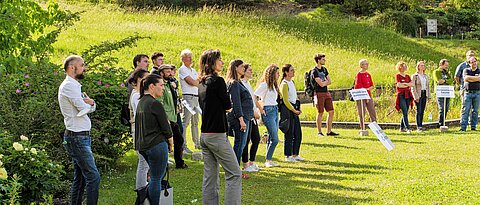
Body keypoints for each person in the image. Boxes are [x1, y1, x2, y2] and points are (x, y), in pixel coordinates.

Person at [197, 49, 241, 205]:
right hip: (217, 134)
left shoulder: (201, 82)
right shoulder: (218, 81)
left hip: (205, 135)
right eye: (219, 59)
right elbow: (228, 106)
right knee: (234, 174)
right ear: (211, 62)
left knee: (210, 176)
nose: (222, 62)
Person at [59, 55, 100, 205]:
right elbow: (83, 108)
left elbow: (89, 106)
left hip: (81, 136)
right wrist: (91, 105)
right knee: (93, 176)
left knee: (81, 177)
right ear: (72, 68)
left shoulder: (74, 85)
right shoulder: (69, 86)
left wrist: (91, 104)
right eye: (82, 65)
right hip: (77, 137)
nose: (84, 68)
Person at [135, 74, 174, 205]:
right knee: (156, 178)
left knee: (154, 177)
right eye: (161, 85)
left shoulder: (141, 102)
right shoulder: (154, 103)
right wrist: (171, 143)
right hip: (156, 145)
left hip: (143, 146)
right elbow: (166, 127)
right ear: (152, 86)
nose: (163, 88)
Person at [226, 59, 254, 179]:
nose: (244, 68)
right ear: (236, 68)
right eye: (242, 67)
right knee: (239, 144)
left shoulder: (239, 82)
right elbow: (236, 103)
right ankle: (234, 170)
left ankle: (235, 170)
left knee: (241, 144)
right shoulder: (235, 84)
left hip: (246, 116)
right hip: (240, 118)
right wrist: (241, 119)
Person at [157, 64, 188, 169]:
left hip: (174, 115)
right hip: (167, 118)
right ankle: (164, 164)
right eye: (167, 72)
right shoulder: (161, 86)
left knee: (179, 139)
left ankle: (179, 162)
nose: (170, 74)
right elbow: (160, 103)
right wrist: (165, 118)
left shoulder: (171, 84)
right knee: (166, 142)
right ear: (161, 73)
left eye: (171, 71)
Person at [127, 69, 150, 200]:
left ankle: (144, 186)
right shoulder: (136, 95)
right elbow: (141, 114)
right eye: (145, 79)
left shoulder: (139, 94)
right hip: (140, 131)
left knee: (145, 162)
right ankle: (141, 190)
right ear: (138, 80)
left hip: (142, 130)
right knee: (143, 161)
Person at [255, 64, 281, 168]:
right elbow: (254, 96)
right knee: (275, 138)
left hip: (274, 109)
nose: (279, 75)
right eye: (277, 73)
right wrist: (261, 109)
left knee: (271, 137)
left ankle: (269, 159)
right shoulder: (265, 85)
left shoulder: (274, 85)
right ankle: (268, 160)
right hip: (268, 110)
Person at [279, 64, 304, 162]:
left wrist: (298, 108)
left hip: (294, 108)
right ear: (286, 72)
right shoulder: (284, 84)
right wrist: (293, 110)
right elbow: (285, 100)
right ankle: (288, 155)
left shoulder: (292, 82)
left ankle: (295, 153)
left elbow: (295, 97)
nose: (293, 72)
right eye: (291, 70)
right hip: (288, 110)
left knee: (298, 133)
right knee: (289, 133)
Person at [178, 49, 201, 153]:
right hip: (188, 97)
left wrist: (197, 82)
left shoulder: (193, 70)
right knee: (185, 121)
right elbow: (192, 82)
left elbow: (199, 82)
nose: (191, 59)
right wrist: (197, 82)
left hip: (196, 97)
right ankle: (183, 145)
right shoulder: (182, 69)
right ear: (183, 59)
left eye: (191, 56)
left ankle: (197, 143)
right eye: (188, 57)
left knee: (195, 121)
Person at [311, 53, 339, 136]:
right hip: (319, 93)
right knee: (320, 112)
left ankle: (329, 131)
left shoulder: (324, 69)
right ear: (318, 60)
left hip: (326, 92)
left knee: (331, 111)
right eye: (323, 59)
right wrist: (325, 82)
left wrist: (324, 82)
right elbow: (321, 84)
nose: (324, 60)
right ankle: (319, 132)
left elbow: (329, 81)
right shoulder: (314, 71)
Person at [241, 64, 261, 172]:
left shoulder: (248, 83)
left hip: (253, 115)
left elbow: (252, 100)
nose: (251, 72)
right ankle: (245, 164)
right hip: (248, 115)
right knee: (246, 140)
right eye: (249, 70)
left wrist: (257, 110)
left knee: (256, 138)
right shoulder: (242, 84)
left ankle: (251, 162)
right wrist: (253, 113)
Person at [354, 59, 377, 133]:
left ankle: (375, 127)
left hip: (368, 95)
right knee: (362, 112)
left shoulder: (368, 74)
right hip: (361, 96)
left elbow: (371, 85)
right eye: (365, 64)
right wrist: (366, 90)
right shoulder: (359, 74)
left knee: (372, 111)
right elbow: (358, 86)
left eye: (367, 64)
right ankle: (362, 127)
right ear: (361, 65)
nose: (367, 65)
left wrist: (368, 89)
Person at [460, 57, 480, 131]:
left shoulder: (479, 70)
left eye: (475, 61)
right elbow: (466, 78)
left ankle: (473, 127)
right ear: (469, 63)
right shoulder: (466, 70)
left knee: (475, 111)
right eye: (472, 62)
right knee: (465, 110)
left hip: (477, 93)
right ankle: (463, 127)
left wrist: (471, 78)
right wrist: (476, 78)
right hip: (468, 93)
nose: (474, 63)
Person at [395, 61, 414, 133]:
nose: (405, 67)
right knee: (404, 111)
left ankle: (401, 127)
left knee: (406, 111)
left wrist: (405, 84)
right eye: (403, 66)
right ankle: (407, 128)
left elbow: (412, 84)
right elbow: (399, 85)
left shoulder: (408, 76)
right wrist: (407, 84)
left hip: (408, 95)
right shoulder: (398, 76)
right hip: (401, 95)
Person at [411, 61, 430, 132]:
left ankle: (421, 125)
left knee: (422, 110)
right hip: (418, 93)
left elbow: (428, 86)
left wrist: (429, 96)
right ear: (418, 67)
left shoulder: (425, 76)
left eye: (423, 65)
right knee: (418, 110)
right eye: (421, 65)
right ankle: (418, 126)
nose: (422, 67)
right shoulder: (415, 76)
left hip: (424, 93)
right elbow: (413, 87)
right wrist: (415, 96)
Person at [433, 59, 453, 128]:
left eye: (447, 65)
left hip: (447, 92)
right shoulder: (436, 72)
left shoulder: (447, 73)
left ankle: (443, 122)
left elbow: (451, 81)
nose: (447, 67)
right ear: (441, 65)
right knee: (442, 108)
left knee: (446, 108)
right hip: (440, 92)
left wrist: (444, 81)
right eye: (445, 65)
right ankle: (440, 123)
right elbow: (438, 81)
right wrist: (446, 81)